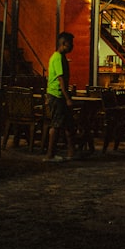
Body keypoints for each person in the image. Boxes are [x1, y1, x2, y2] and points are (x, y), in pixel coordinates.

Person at [45, 32, 77, 162]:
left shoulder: (59, 57)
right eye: (70, 43)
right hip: (57, 95)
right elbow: (61, 79)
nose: (72, 46)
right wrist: (67, 97)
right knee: (56, 125)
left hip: (57, 94)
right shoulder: (58, 58)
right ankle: (50, 155)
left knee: (68, 124)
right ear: (63, 44)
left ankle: (71, 153)